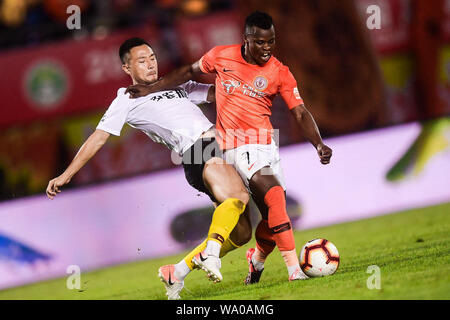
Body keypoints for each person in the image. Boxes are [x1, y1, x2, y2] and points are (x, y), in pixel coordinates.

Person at [126, 11, 333, 283]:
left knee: (268, 221)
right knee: (273, 196)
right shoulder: (221, 56)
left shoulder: (279, 72)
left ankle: (245, 262)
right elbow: (189, 71)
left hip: (266, 146)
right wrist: (154, 88)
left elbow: (300, 112)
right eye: (260, 42)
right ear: (246, 39)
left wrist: (318, 144)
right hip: (235, 146)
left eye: (271, 41)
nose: (267, 47)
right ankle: (294, 270)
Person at [46, 38, 254, 299]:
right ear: (126, 68)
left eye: (152, 58)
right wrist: (66, 175)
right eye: (142, 61)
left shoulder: (174, 84)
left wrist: (241, 78)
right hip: (197, 150)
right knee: (239, 196)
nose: (150, 64)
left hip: (220, 147)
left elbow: (217, 94)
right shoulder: (126, 98)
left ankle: (176, 272)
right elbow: (98, 137)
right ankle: (213, 255)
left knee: (242, 233)